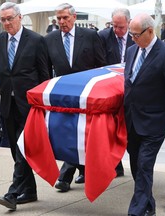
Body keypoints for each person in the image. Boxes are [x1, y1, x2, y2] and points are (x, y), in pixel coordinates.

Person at [0, 2, 50, 211]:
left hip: (30, 106)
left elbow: (45, 75)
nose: (7, 23)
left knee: (22, 147)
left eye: (10, 18)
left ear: (19, 17)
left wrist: (44, 106)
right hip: (7, 105)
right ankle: (30, 190)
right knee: (15, 150)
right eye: (3, 20)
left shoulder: (36, 41)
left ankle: (13, 193)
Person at [124, 13, 165, 216]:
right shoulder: (132, 51)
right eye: (130, 35)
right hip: (132, 120)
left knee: (144, 164)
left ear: (150, 31)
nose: (132, 38)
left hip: (155, 121)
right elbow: (129, 84)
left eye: (135, 35)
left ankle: (137, 211)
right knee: (135, 165)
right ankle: (149, 205)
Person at [44, 3, 106, 192]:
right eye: (59, 18)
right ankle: (77, 171)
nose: (62, 22)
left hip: (88, 95)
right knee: (68, 133)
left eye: (65, 18)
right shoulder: (50, 39)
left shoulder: (89, 36)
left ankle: (67, 175)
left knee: (81, 134)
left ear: (74, 17)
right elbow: (46, 68)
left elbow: (101, 64)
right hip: (63, 97)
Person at [98, 8, 134, 177]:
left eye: (120, 27)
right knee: (111, 127)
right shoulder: (104, 36)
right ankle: (115, 164)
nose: (117, 30)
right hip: (110, 89)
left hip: (131, 89)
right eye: (114, 26)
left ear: (129, 23)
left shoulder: (136, 37)